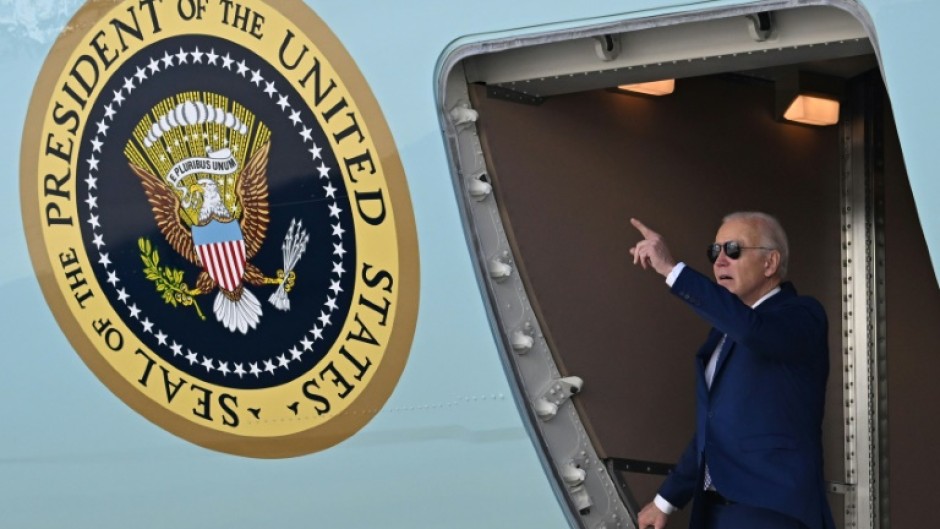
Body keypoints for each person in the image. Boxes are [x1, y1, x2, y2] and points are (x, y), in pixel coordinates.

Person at [628, 212, 835, 529]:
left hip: (771, 509)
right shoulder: (723, 333)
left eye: (734, 250)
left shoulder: (801, 314)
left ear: (770, 263)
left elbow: (755, 331)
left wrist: (672, 270)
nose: (720, 261)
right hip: (716, 511)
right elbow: (713, 430)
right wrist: (665, 500)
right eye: (715, 252)